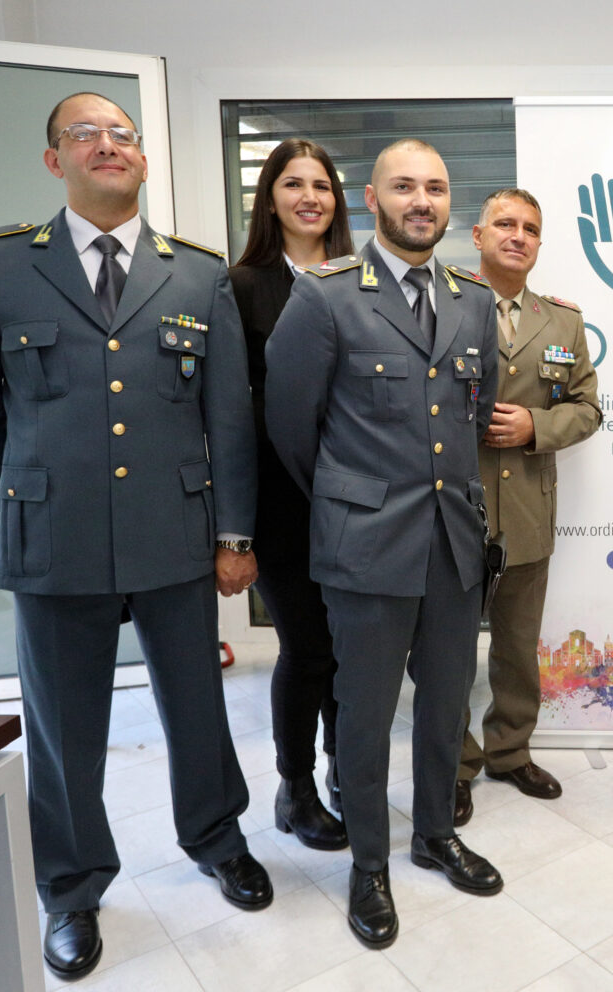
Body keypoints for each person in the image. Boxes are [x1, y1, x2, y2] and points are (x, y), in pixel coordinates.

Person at [0, 92, 271, 980]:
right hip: (55, 542)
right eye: (84, 134)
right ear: (55, 160)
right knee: (64, 728)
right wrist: (35, 482)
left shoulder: (198, 274)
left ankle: (216, 839)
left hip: (177, 532)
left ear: (140, 160)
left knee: (197, 711)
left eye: (122, 134)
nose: (108, 145)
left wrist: (235, 533)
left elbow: (229, 419)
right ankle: (72, 888)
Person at [265, 138, 502, 950]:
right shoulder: (326, 297)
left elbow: (476, 412)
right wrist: (352, 501)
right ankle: (369, 864)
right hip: (366, 545)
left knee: (444, 706)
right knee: (363, 720)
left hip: (453, 544)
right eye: (405, 186)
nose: (422, 201)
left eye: (435, 188)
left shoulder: (472, 299)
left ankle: (435, 833)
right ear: (372, 199)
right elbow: (291, 429)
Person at [453, 188, 601, 824]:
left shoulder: (562, 320)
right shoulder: (444, 300)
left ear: (540, 244)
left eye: (530, 229)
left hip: (528, 511)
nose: (517, 236)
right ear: (480, 236)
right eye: (505, 225)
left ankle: (510, 751)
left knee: (517, 643)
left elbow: (587, 407)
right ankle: (454, 763)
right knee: (451, 649)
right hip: (452, 504)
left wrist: (536, 426)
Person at [230, 139, 352, 851]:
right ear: (270, 197)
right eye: (293, 183)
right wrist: (235, 532)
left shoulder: (359, 281)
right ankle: (295, 787)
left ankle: (344, 772)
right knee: (307, 649)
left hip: (356, 501)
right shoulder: (242, 286)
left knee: (352, 649)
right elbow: (229, 417)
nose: (310, 196)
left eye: (323, 185)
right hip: (281, 506)